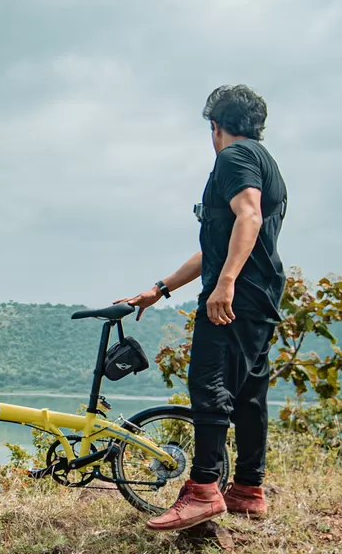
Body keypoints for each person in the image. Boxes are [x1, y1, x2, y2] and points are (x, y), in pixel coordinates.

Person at [117, 84, 287, 530]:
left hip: (238, 295)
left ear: (215, 127)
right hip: (261, 296)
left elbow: (248, 218)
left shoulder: (233, 159)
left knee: (208, 386)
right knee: (249, 394)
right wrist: (161, 288)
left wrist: (225, 283)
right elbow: (222, 243)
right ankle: (248, 489)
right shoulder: (264, 161)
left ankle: (203, 491)